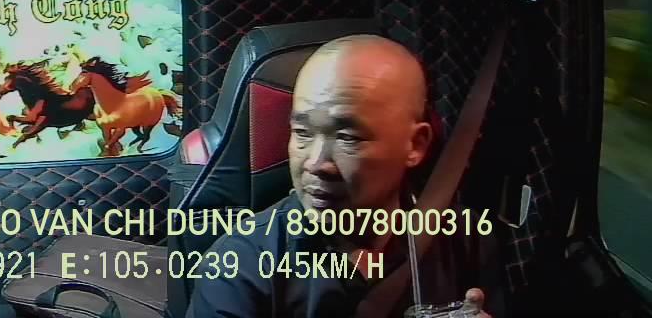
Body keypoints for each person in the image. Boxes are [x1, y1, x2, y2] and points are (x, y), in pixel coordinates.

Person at [187, 35, 503, 318]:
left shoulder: (465, 241)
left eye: (348, 138)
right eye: (302, 133)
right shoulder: (239, 264)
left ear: (415, 145)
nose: (316, 163)